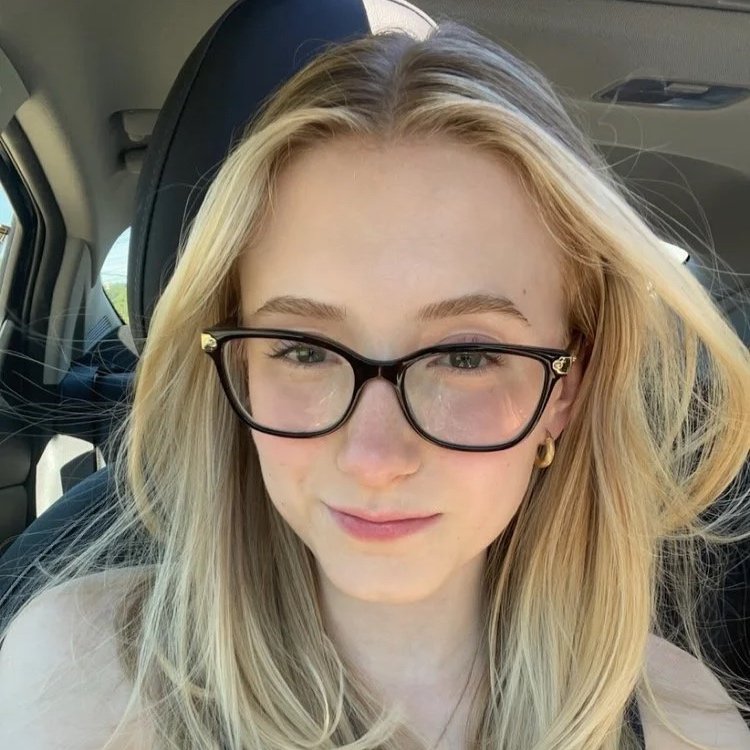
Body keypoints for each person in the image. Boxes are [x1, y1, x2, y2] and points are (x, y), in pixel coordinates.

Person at [1, 20, 749, 750]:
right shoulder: (79, 682)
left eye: (464, 357)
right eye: (303, 350)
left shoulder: (688, 723)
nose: (373, 458)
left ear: (565, 392)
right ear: (241, 372)